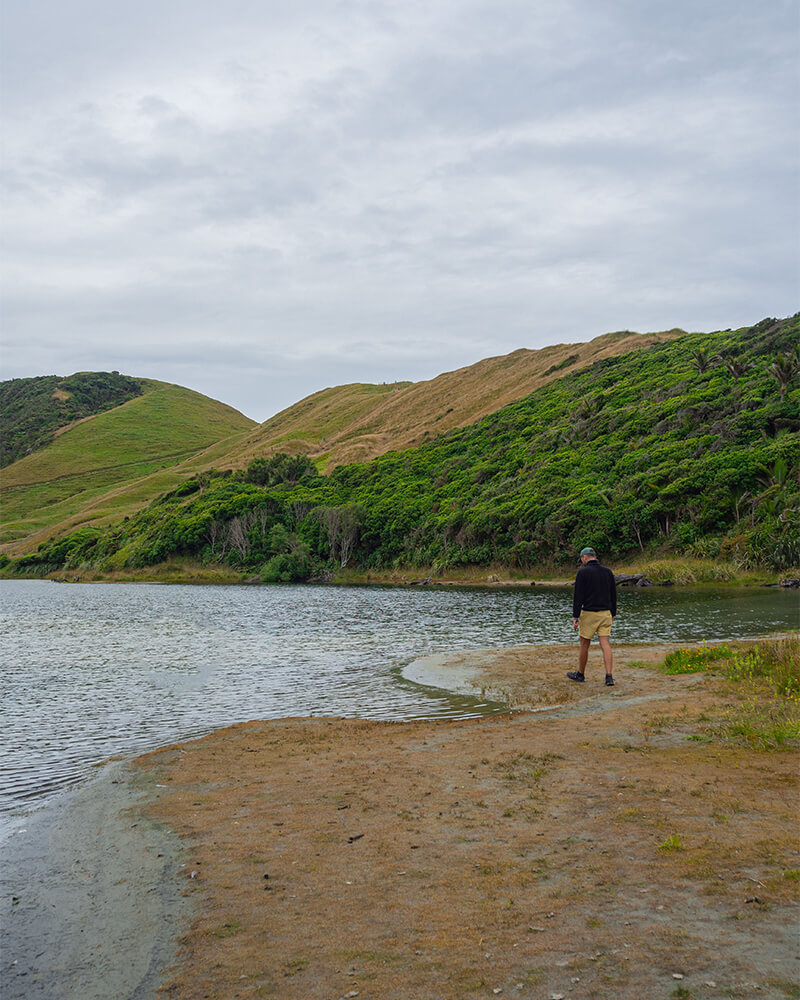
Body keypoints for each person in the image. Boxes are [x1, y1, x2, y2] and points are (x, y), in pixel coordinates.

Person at [568, 546, 617, 686]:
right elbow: (613, 595)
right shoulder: (608, 572)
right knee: (605, 644)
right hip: (605, 613)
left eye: (581, 559)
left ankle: (580, 674)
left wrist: (575, 616)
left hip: (589, 613)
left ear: (584, 558)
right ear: (594, 556)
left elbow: (578, 597)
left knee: (584, 645)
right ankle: (609, 676)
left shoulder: (583, 573)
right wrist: (613, 613)